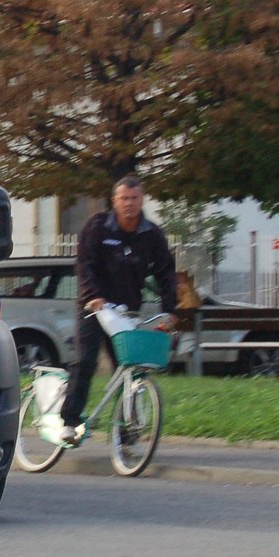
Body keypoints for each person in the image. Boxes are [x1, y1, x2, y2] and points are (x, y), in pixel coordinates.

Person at [40, 175, 178, 448]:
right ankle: (69, 421)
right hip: (93, 308)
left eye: (134, 198)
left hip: (126, 311)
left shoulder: (151, 234)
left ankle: (127, 428)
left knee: (128, 368)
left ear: (142, 200)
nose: (129, 204)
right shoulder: (98, 227)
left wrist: (170, 310)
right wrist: (94, 297)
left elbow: (166, 274)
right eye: (124, 198)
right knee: (86, 361)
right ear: (114, 201)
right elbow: (85, 264)